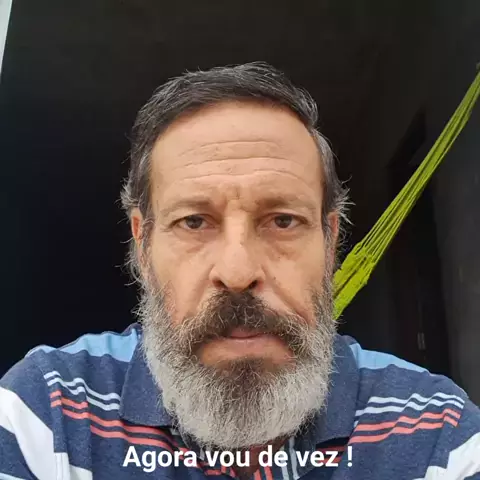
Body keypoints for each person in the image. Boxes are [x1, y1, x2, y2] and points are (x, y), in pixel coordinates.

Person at [1, 62, 479, 480]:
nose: (237, 272)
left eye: (283, 221)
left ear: (331, 241)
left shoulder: (437, 432)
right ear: (142, 246)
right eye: (194, 221)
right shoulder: (48, 412)